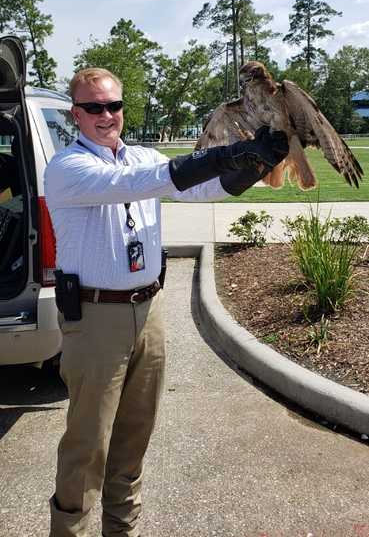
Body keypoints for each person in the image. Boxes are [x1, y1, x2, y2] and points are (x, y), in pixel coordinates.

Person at [44, 67, 288, 537]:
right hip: (96, 320)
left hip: (149, 311)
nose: (106, 115)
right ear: (76, 113)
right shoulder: (69, 167)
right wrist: (228, 153)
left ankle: (122, 530)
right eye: (93, 107)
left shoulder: (139, 155)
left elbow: (201, 190)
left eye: (113, 105)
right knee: (87, 444)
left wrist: (254, 164)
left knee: (134, 438)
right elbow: (147, 182)